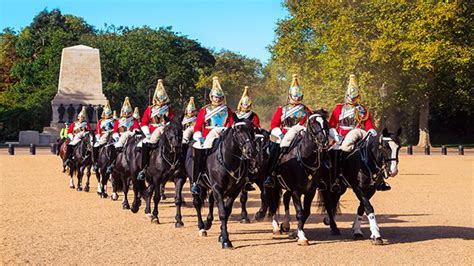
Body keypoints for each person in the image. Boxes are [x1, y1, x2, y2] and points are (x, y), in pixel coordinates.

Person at [328, 74, 390, 191]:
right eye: (350, 97)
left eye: (354, 97)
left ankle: (379, 179)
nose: (352, 99)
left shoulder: (362, 110)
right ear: (346, 96)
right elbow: (332, 124)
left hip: (358, 136)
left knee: (374, 151)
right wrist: (336, 136)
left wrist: (371, 131)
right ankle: (335, 179)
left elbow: (368, 124)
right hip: (340, 137)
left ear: (358, 96)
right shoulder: (339, 108)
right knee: (334, 152)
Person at [264, 74, 311, 188]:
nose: (297, 98)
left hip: (301, 134)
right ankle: (270, 174)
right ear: (290, 96)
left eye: (299, 96)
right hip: (284, 134)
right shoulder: (282, 109)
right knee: (274, 149)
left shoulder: (306, 110)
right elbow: (274, 124)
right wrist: (279, 134)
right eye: (295, 96)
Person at [190, 76, 234, 194]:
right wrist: (199, 137)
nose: (218, 99)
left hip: (224, 133)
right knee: (199, 147)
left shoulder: (227, 110)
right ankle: (196, 179)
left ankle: (244, 178)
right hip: (208, 135)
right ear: (211, 97)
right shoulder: (204, 110)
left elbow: (231, 124)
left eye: (220, 97)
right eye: (216, 97)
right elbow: (198, 126)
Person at [137, 79, 175, 180]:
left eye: (163, 99)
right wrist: (147, 133)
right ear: (156, 98)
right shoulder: (150, 109)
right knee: (145, 145)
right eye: (160, 99)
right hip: (152, 132)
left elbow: (173, 122)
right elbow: (144, 122)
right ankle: (144, 169)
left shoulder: (169, 109)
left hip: (166, 131)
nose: (162, 101)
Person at [236, 86, 261, 191]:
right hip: (238, 139)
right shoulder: (235, 115)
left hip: (250, 138)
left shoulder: (253, 115)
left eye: (247, 105)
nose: (245, 106)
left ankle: (249, 178)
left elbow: (256, 126)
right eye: (244, 104)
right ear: (240, 105)